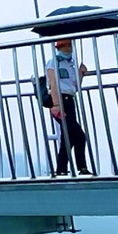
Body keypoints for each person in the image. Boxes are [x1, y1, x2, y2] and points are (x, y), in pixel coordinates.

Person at [46, 38, 91, 176]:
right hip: (60, 100)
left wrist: (81, 73)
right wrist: (56, 105)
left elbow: (74, 86)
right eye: (68, 46)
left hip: (70, 100)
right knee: (79, 136)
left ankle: (61, 169)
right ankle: (82, 168)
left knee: (69, 137)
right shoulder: (54, 62)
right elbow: (53, 84)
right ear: (61, 47)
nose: (70, 49)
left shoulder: (70, 64)